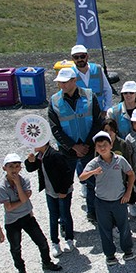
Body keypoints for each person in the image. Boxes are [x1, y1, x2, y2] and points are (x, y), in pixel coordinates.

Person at [48, 67, 104, 222]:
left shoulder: (89, 95)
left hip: (89, 147)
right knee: (65, 186)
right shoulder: (54, 101)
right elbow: (55, 128)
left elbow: (98, 121)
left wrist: (86, 144)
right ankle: (64, 220)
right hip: (67, 151)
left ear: (74, 81)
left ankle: (93, 212)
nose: (62, 85)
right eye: (60, 82)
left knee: (92, 182)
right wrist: (73, 146)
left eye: (65, 82)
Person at [0, 152, 61, 273]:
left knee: (42, 241)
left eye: (17, 166)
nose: (14, 169)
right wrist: (23, 199)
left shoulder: (23, 180)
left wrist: (18, 186)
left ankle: (46, 262)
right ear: (4, 168)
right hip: (12, 221)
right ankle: (21, 270)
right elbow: (9, 207)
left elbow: (20, 200)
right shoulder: (2, 187)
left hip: (27, 217)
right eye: (11, 166)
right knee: (15, 247)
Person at [79, 131, 136, 267]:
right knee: (104, 229)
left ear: (111, 145)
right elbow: (82, 177)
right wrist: (93, 172)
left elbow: (131, 174)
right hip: (102, 202)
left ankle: (127, 250)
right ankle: (110, 255)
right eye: (99, 146)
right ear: (96, 148)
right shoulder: (94, 163)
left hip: (119, 200)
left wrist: (128, 192)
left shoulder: (120, 160)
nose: (102, 148)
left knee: (124, 226)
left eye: (105, 144)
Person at [25, 142, 75, 255]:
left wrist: (63, 191)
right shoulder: (39, 156)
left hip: (62, 192)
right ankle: (55, 243)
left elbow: (67, 173)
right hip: (50, 192)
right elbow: (31, 168)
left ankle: (69, 239)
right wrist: (29, 161)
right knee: (53, 216)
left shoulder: (55, 155)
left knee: (65, 215)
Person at [69, 44, 112, 110]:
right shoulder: (70, 73)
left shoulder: (98, 69)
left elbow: (107, 89)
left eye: (82, 56)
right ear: (72, 59)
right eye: (76, 57)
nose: (80, 59)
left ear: (87, 56)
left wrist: (106, 108)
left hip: (98, 110)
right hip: (81, 113)